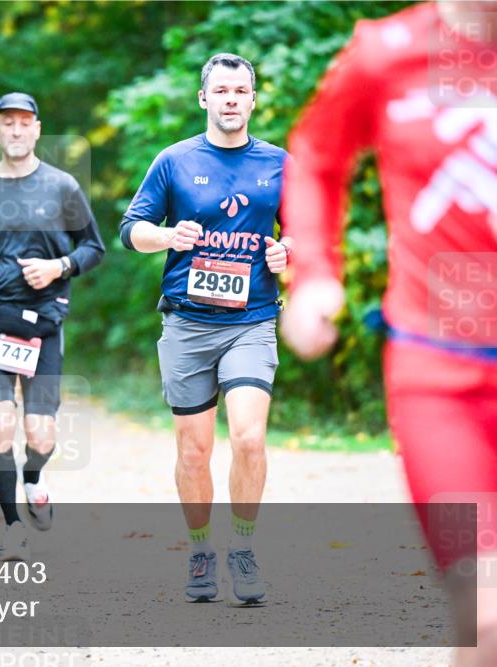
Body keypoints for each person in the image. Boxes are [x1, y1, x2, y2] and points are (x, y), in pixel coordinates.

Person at [279, 2, 496, 662]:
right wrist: (315, 271)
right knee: (486, 608)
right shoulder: (386, 51)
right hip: (441, 376)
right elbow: (315, 153)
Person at [119, 54, 291, 604]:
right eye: (221, 90)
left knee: (248, 437)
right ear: (204, 98)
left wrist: (290, 251)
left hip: (252, 320)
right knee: (193, 452)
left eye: (241, 90)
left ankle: (242, 547)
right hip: (188, 323)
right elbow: (131, 230)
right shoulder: (174, 161)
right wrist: (168, 238)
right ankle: (200, 550)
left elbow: (309, 233)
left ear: (254, 100)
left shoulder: (279, 164)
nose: (232, 99)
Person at [0, 92, 105, 561]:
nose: (16, 131)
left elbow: (94, 248)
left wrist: (60, 267)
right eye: (7, 123)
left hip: (44, 324)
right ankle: (13, 525)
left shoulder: (62, 188)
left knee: (40, 436)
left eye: (25, 123)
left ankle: (34, 477)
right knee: (0, 424)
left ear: (37, 130)